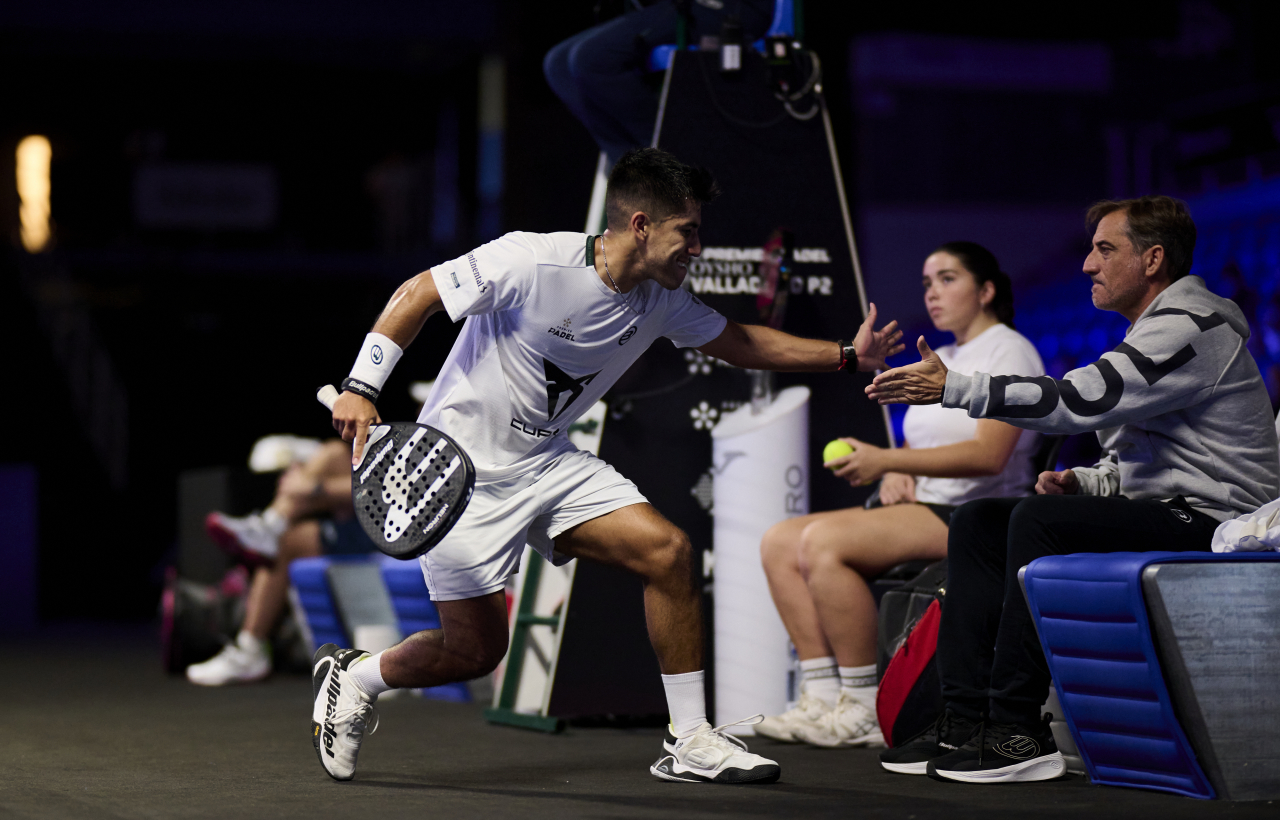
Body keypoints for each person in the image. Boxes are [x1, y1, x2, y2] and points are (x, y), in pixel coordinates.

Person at [314, 147, 904, 784]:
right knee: (476, 651)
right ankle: (357, 674)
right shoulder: (531, 260)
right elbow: (420, 292)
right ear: (642, 225)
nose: (697, 248)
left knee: (668, 552)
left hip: (548, 462)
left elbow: (740, 341)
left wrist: (844, 354)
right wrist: (362, 386)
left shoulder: (662, 298)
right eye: (688, 231)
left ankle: (690, 738)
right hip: (458, 476)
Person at [867, 195, 1280, 784]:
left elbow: (1079, 400)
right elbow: (1148, 462)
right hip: (1171, 507)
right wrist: (1084, 480)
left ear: (1153, 260)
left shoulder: (1192, 329)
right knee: (979, 520)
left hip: (1218, 521)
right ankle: (961, 719)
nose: (1087, 264)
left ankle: (1016, 730)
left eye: (1105, 249)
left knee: (1035, 521)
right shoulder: (1154, 332)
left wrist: (955, 387)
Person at [755, 242, 1044, 748]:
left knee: (823, 543)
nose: (933, 292)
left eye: (948, 279)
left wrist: (887, 460)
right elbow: (922, 442)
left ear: (987, 290)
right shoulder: (943, 356)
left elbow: (988, 455)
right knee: (778, 541)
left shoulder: (1009, 349)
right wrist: (897, 471)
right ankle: (822, 697)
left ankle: (865, 706)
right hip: (923, 502)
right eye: (928, 283)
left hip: (974, 514)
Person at [543, 0, 773, 166]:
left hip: (734, 0)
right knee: (558, 65)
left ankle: (671, 162)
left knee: (593, 60)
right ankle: (635, 172)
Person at [188, 440, 371, 686]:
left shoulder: (428, 434)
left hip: (394, 527)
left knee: (281, 543)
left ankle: (269, 527)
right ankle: (270, 525)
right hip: (368, 512)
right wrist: (307, 485)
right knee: (334, 453)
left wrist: (314, 486)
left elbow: (386, 488)